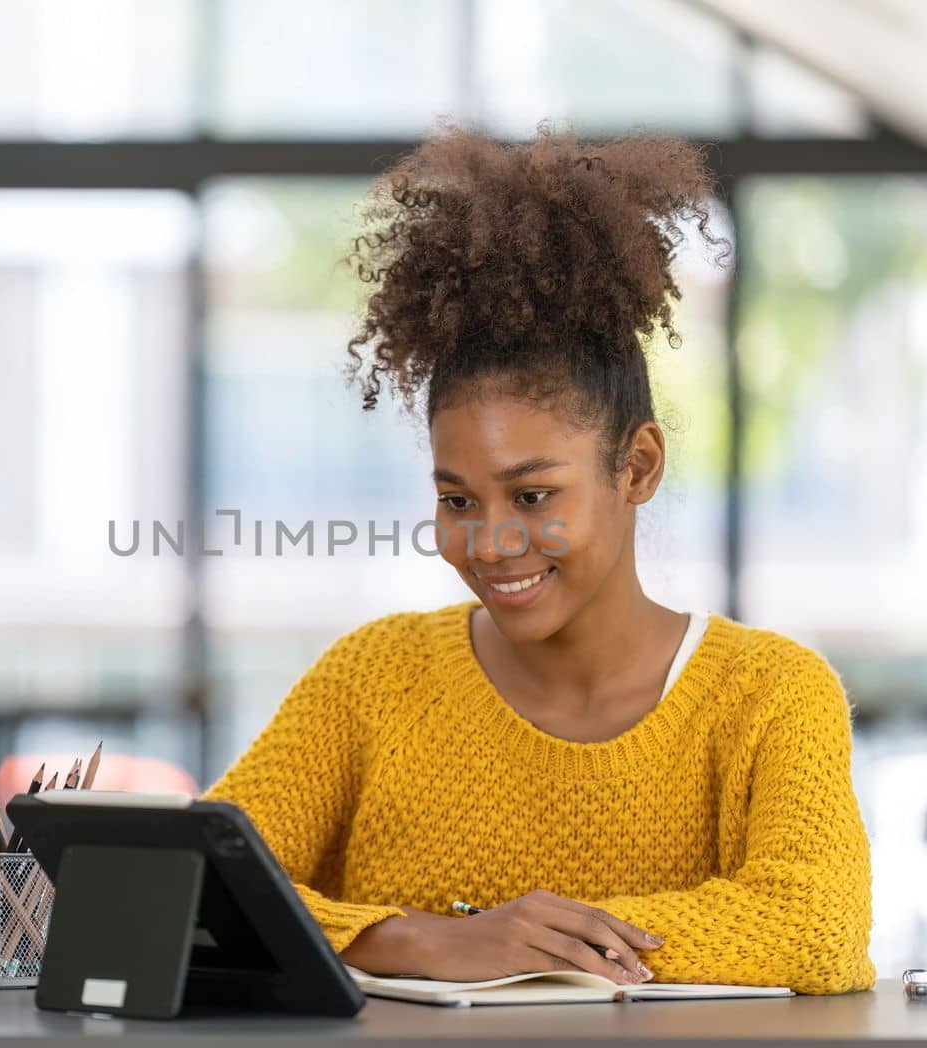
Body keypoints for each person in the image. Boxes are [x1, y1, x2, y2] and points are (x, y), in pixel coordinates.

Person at [202, 121, 875, 995]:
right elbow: (197, 885)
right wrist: (431, 939)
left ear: (636, 467)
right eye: (456, 500)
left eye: (532, 496)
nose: (489, 543)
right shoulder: (372, 681)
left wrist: (523, 937)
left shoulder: (771, 694)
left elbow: (816, 925)